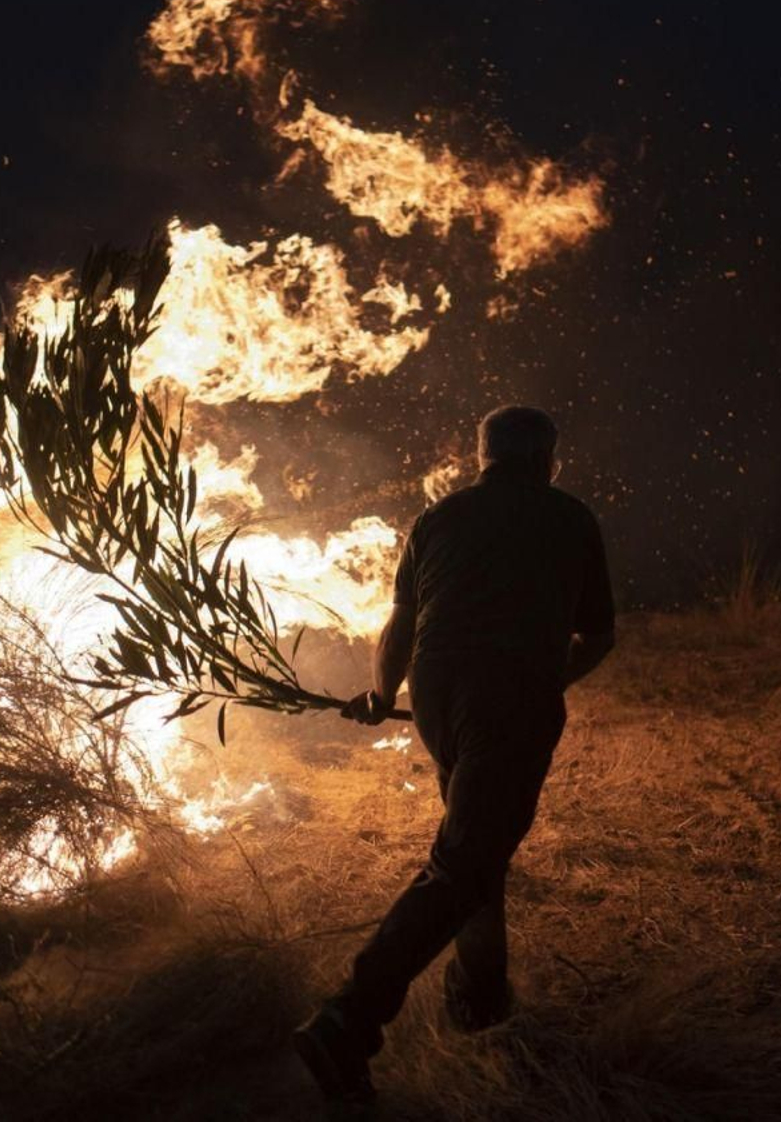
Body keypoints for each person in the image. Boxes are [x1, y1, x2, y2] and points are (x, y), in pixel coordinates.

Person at [292, 405, 616, 1103]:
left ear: (483, 459)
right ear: (547, 458)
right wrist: (545, 680)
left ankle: (482, 1002)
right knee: (465, 862)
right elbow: (600, 635)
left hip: (437, 695)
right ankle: (351, 1015)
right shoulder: (569, 517)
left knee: (477, 849)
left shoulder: (437, 519)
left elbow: (402, 623)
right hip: (510, 695)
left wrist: (382, 695)